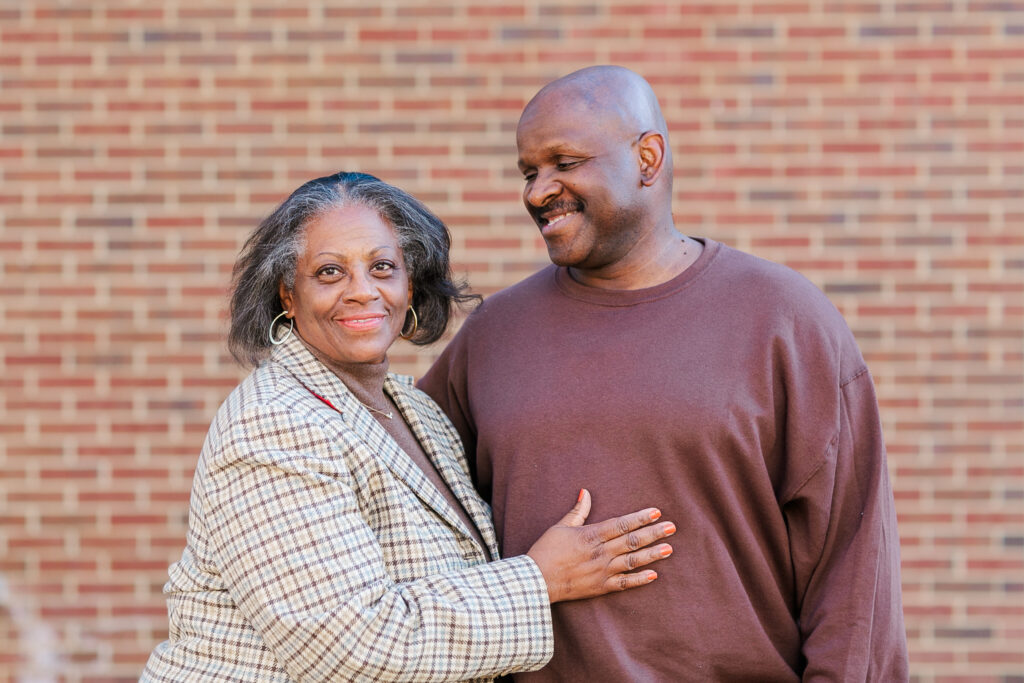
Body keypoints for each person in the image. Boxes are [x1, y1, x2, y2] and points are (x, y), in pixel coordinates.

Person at [419, 66, 909, 681]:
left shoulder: (784, 320)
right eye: (528, 171)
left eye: (564, 163)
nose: (538, 191)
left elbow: (853, 568)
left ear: (647, 158)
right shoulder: (494, 335)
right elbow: (402, 498)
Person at [141, 171, 677, 682]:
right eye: (330, 271)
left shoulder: (415, 411)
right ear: (288, 294)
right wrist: (541, 580)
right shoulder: (275, 424)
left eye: (382, 268)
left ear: (410, 284)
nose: (361, 291)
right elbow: (346, 645)